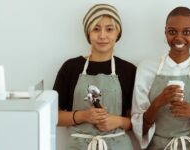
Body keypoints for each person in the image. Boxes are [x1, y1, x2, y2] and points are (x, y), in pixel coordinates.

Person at [131, 6, 190, 150]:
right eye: (172, 32)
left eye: (186, 32)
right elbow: (139, 130)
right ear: (165, 32)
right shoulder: (145, 69)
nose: (179, 38)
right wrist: (157, 103)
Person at [53, 3, 136, 150]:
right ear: (88, 33)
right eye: (96, 29)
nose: (102, 35)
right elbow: (53, 116)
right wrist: (84, 116)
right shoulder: (71, 68)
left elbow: (137, 120)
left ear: (117, 33)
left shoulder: (128, 70)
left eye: (109, 29)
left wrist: (117, 121)